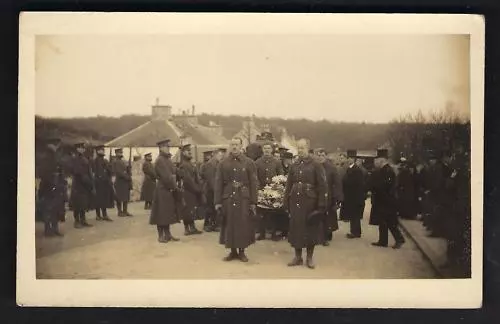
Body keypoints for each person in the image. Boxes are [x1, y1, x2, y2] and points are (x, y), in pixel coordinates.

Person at [284, 139, 327, 269]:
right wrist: (286, 201)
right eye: (298, 148)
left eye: (302, 148)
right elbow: (289, 185)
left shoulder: (316, 164)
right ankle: (297, 256)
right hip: (295, 201)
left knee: (310, 230)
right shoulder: (294, 164)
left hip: (310, 202)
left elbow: (322, 186)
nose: (300, 150)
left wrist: (321, 205)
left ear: (308, 148)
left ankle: (309, 257)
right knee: (296, 228)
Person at [215, 137, 258, 262]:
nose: (234, 147)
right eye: (232, 144)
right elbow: (218, 183)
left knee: (242, 224)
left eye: (236, 145)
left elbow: (253, 183)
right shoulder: (223, 163)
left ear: (241, 146)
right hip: (228, 197)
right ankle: (232, 251)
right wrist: (217, 202)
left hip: (243, 198)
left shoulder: (249, 163)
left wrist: (253, 202)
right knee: (230, 224)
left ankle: (242, 251)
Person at [370, 149, 405, 249]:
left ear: (382, 160)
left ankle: (399, 239)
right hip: (383, 200)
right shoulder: (383, 170)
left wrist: (375, 187)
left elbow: (385, 185)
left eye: (377, 160)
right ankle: (383, 241)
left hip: (387, 200)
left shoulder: (388, 171)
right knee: (383, 222)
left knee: (390, 222)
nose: (375, 162)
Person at [149, 139, 181, 243]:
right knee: (161, 213)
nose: (168, 148)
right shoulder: (160, 160)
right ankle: (160, 236)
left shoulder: (167, 159)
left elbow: (174, 172)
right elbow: (167, 177)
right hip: (163, 189)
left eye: (168, 146)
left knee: (166, 213)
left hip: (167, 189)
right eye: (166, 146)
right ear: (161, 148)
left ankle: (168, 234)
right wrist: (174, 187)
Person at [255, 141, 284, 241]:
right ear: (262, 150)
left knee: (273, 212)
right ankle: (262, 233)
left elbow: (281, 175)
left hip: (274, 190)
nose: (267, 150)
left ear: (272, 150)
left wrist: (276, 186)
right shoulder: (257, 162)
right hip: (261, 189)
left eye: (268, 148)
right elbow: (255, 176)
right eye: (265, 148)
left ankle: (273, 233)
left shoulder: (277, 162)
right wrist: (259, 188)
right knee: (262, 212)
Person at [37, 137, 66, 236]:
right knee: (49, 208)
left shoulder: (54, 155)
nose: (57, 147)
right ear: (51, 145)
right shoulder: (47, 156)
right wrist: (52, 183)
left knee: (55, 208)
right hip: (49, 186)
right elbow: (44, 173)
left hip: (56, 185)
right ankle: (48, 230)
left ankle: (54, 229)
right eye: (56, 145)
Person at [315, 148, 340, 246]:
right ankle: (319, 236)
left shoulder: (331, 168)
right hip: (316, 195)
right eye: (319, 155)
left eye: (322, 155)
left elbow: (337, 183)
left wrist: (337, 197)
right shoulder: (314, 167)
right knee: (318, 216)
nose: (320, 157)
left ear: (326, 156)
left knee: (327, 217)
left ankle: (326, 237)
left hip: (328, 195)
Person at [177, 144, 203, 235]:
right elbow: (188, 180)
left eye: (190, 151)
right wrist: (197, 189)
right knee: (187, 210)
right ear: (183, 153)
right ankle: (187, 229)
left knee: (191, 209)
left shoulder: (188, 164)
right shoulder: (184, 165)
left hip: (191, 191)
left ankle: (192, 227)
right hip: (187, 191)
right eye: (188, 151)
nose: (190, 153)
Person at [200, 148, 226, 232]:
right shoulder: (210, 164)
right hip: (210, 190)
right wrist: (217, 191)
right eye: (220, 155)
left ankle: (213, 224)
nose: (221, 156)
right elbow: (211, 179)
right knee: (209, 208)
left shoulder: (216, 163)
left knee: (213, 208)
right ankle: (207, 225)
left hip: (213, 189)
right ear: (214, 155)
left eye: (222, 155)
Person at [342, 149, 366, 238]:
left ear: (354, 159)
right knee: (353, 214)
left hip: (355, 196)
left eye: (351, 158)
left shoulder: (356, 170)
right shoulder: (351, 168)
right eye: (348, 158)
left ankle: (355, 232)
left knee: (354, 215)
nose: (349, 159)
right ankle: (356, 232)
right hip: (352, 195)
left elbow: (356, 183)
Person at [70, 142, 94, 228]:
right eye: (80, 148)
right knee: (77, 204)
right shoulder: (75, 159)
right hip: (78, 184)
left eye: (83, 148)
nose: (82, 149)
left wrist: (90, 181)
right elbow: (78, 172)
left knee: (83, 203)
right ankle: (76, 221)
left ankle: (83, 220)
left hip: (84, 185)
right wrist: (87, 180)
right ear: (77, 149)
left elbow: (88, 171)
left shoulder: (84, 159)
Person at [91, 145, 114, 221]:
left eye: (103, 150)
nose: (102, 151)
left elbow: (110, 171)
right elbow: (93, 172)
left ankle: (104, 215)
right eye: (101, 150)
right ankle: (98, 215)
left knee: (104, 199)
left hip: (105, 182)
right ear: (97, 151)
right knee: (98, 199)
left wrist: (108, 168)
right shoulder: (95, 161)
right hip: (98, 182)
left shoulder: (106, 161)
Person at [112, 148, 133, 217]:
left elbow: (126, 170)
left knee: (125, 197)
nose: (121, 154)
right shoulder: (115, 161)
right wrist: (127, 177)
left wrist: (128, 169)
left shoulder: (123, 161)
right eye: (119, 153)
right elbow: (119, 172)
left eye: (121, 153)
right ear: (116, 154)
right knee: (119, 198)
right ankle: (119, 211)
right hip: (120, 182)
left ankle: (125, 211)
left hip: (125, 182)